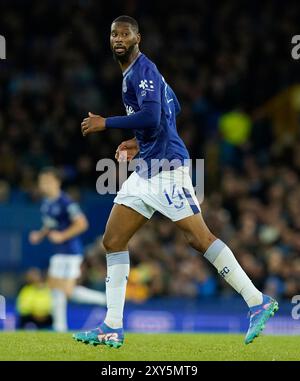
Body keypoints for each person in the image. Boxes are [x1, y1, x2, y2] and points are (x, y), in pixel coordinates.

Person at [73, 15, 278, 348]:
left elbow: (154, 116)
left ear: (138, 37)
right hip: (147, 169)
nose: (119, 38)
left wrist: (106, 123)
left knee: (199, 238)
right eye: (113, 34)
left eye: (125, 33)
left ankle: (257, 301)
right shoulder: (139, 75)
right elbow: (173, 108)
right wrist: (138, 143)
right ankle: (112, 325)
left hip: (167, 168)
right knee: (112, 240)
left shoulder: (143, 71)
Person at [29, 167, 106, 332]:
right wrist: (40, 235)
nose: (43, 184)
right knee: (58, 289)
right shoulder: (46, 203)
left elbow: (82, 223)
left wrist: (62, 236)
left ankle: (104, 300)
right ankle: (60, 327)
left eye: (47, 181)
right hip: (59, 252)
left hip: (71, 252)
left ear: (57, 182)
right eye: (42, 181)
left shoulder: (66, 202)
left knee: (64, 290)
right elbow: (50, 224)